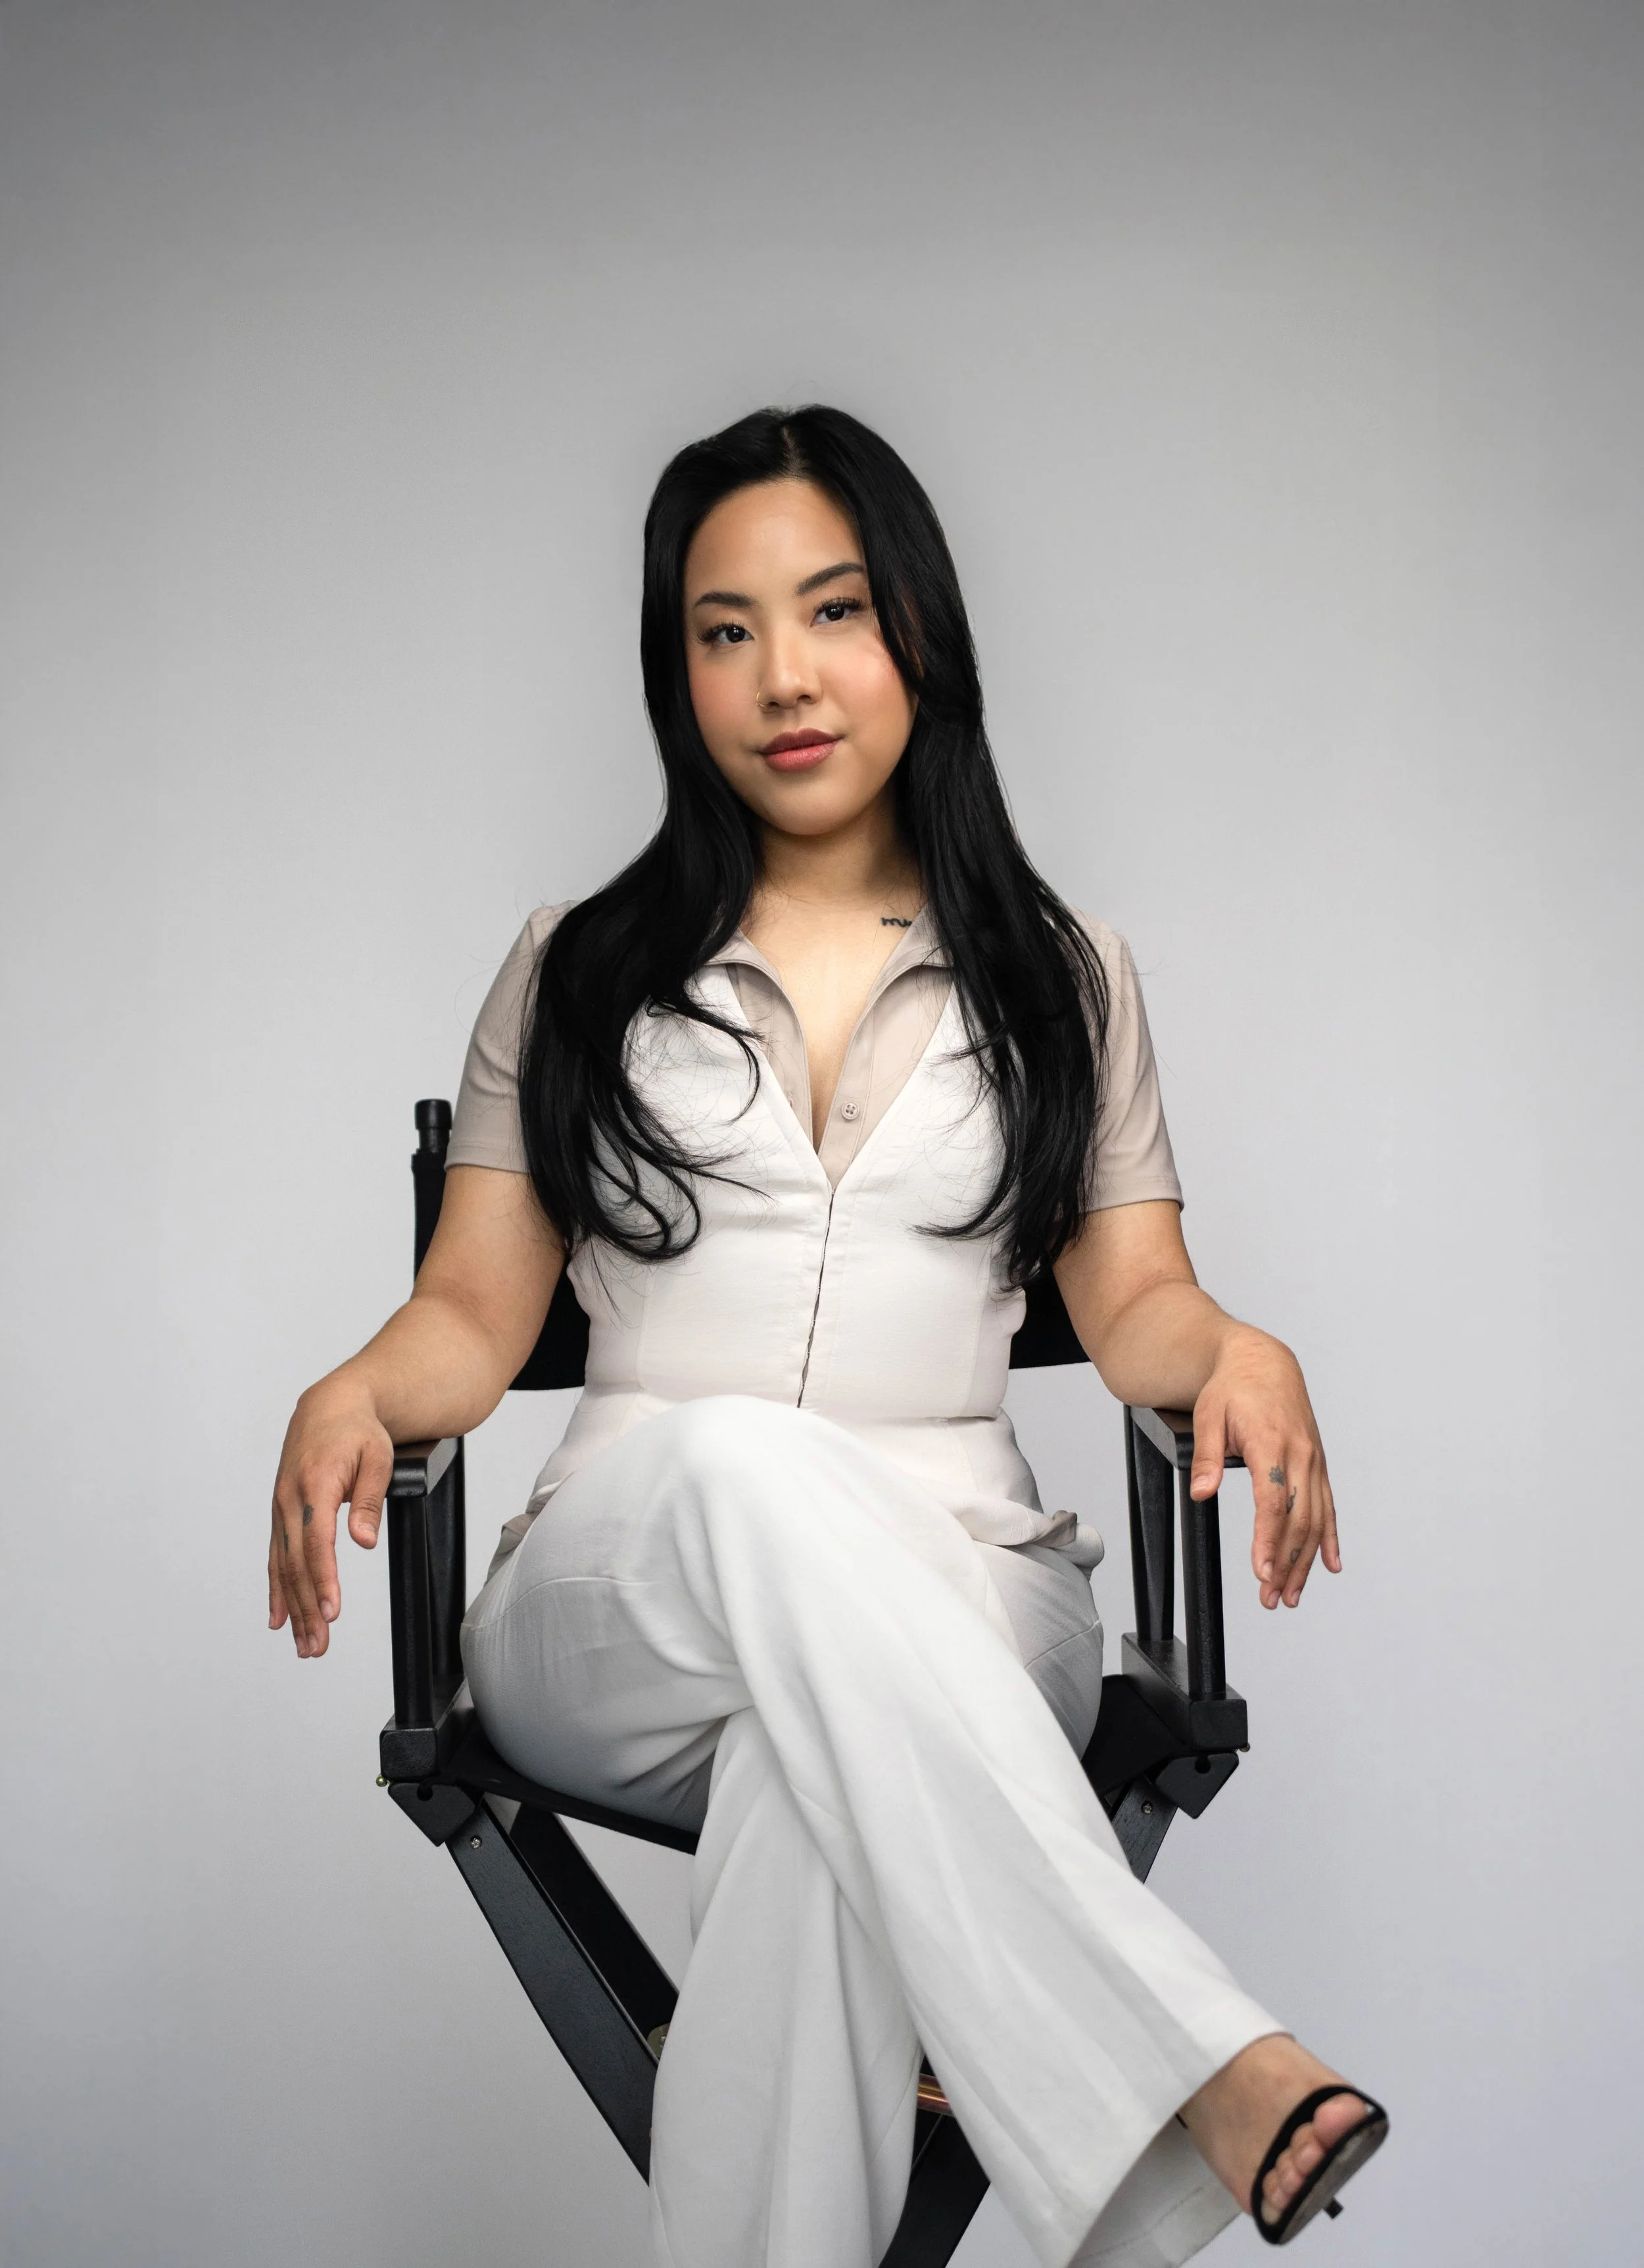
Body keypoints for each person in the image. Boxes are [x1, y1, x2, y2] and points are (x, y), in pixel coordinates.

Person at [268, 405, 1388, 2267]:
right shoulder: (574, 967)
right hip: (626, 1599)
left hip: (960, 1602)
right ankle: (1200, 2061)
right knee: (728, 1445)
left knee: (817, 1793)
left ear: (917, 635)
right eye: (721, 630)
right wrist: (358, 1387)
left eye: (830, 610)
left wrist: (1230, 1345)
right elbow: (474, 1313)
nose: (779, 676)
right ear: (674, 669)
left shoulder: (1061, 969)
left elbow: (1130, 1304)